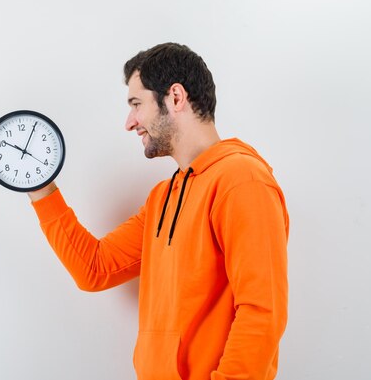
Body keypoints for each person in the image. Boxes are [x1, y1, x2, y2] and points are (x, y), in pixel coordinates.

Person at [27, 42, 289, 380]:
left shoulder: (242, 180)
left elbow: (262, 311)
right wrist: (39, 184)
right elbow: (93, 268)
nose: (129, 122)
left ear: (175, 97)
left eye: (137, 104)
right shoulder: (165, 196)